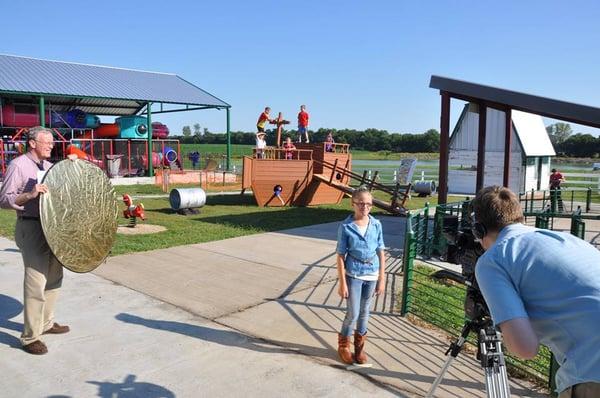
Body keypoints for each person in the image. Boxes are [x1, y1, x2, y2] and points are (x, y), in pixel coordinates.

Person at [471, 185, 600, 397]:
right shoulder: (568, 240)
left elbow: (525, 349)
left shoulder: (493, 261)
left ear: (479, 230)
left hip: (591, 372)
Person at [0, 126, 72, 355]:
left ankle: (47, 323)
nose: (52, 145)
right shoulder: (18, 165)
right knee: (36, 282)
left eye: (52, 142)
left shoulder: (50, 167)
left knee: (54, 277)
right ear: (32, 143)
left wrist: (72, 169)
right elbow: (4, 200)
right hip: (30, 226)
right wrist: (30, 194)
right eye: (47, 142)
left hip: (52, 228)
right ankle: (30, 337)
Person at [335, 186, 386, 365]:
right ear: (353, 204)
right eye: (361, 204)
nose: (365, 207)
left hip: (372, 275)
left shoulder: (376, 224)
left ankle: (360, 348)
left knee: (365, 313)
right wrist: (342, 283)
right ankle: (344, 345)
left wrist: (382, 279)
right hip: (354, 275)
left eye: (369, 204)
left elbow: (381, 251)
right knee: (353, 312)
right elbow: (340, 255)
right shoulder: (346, 227)